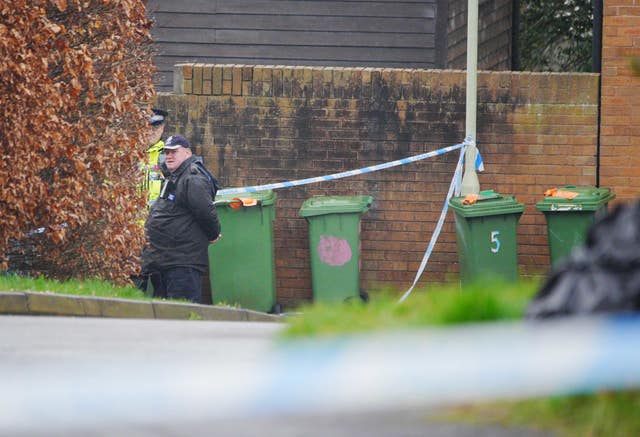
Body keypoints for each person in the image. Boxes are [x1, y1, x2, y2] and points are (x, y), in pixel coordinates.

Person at [141, 134, 222, 303]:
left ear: (187, 153)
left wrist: (213, 234)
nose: (169, 156)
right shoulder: (177, 175)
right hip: (167, 260)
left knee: (183, 314)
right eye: (166, 152)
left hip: (182, 262)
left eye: (174, 152)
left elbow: (205, 211)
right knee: (166, 315)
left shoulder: (192, 177)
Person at [143, 108, 169, 207]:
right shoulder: (129, 155)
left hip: (157, 220)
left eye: (156, 128)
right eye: (148, 128)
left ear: (162, 128)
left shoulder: (169, 155)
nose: (151, 132)